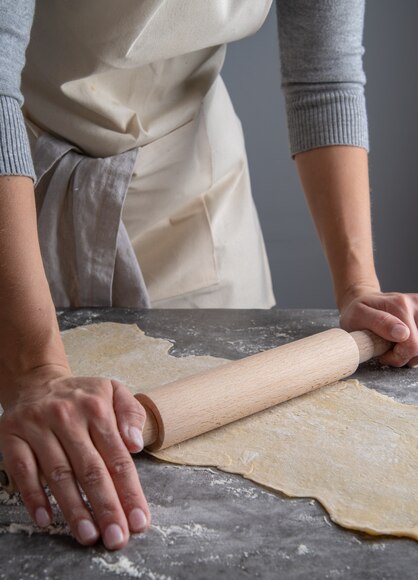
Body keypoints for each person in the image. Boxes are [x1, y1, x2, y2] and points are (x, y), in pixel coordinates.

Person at [0, 0, 416, 551]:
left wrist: (359, 285)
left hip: (187, 184)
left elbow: (326, 76)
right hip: (17, 186)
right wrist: (36, 368)